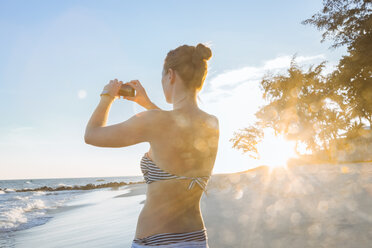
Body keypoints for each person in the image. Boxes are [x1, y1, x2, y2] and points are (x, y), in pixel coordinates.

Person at [84, 43, 219, 248]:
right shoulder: (211, 123)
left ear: (171, 75)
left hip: (156, 242)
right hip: (196, 239)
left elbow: (92, 135)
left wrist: (107, 96)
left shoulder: (154, 121)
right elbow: (176, 132)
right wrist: (147, 103)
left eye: (162, 77)